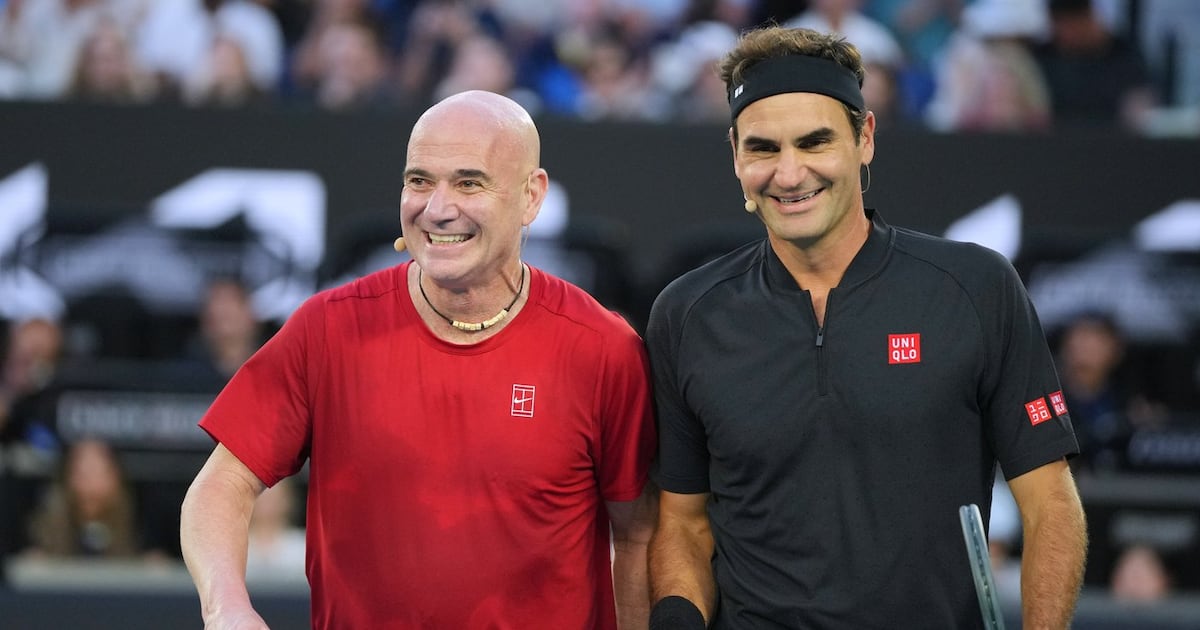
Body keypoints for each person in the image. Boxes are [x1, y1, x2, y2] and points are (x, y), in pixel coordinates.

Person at [645, 26, 1087, 629]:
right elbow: (683, 523)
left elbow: (1049, 505)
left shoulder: (976, 287)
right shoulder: (687, 313)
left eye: (814, 142)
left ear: (865, 138)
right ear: (735, 154)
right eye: (764, 148)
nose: (790, 173)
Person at [180, 89, 657, 629]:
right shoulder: (328, 328)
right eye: (419, 180)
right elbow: (220, 486)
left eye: (468, 182)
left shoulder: (603, 350)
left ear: (531, 196)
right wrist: (227, 609)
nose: (437, 208)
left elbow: (638, 533)